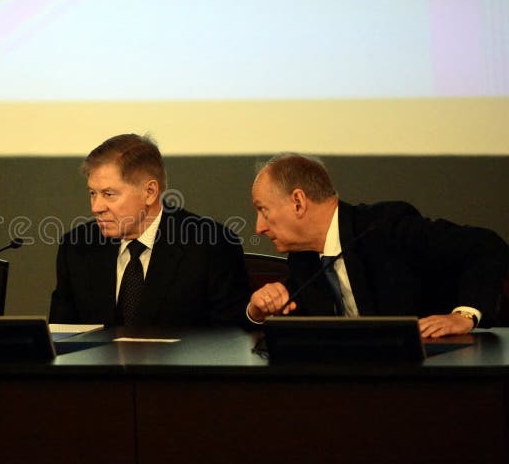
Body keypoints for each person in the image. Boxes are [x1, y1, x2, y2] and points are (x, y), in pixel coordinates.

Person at [247, 152, 508, 337]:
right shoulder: (304, 259)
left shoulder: (385, 227)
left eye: (263, 210)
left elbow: (486, 245)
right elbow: (293, 313)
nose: (259, 227)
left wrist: (463, 316)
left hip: (440, 370)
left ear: (298, 202)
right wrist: (258, 310)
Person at [50, 133, 251, 326]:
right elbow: (62, 337)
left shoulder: (211, 245)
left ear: (150, 192)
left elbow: (230, 338)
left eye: (109, 194)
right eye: (93, 193)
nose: (96, 207)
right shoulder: (77, 247)